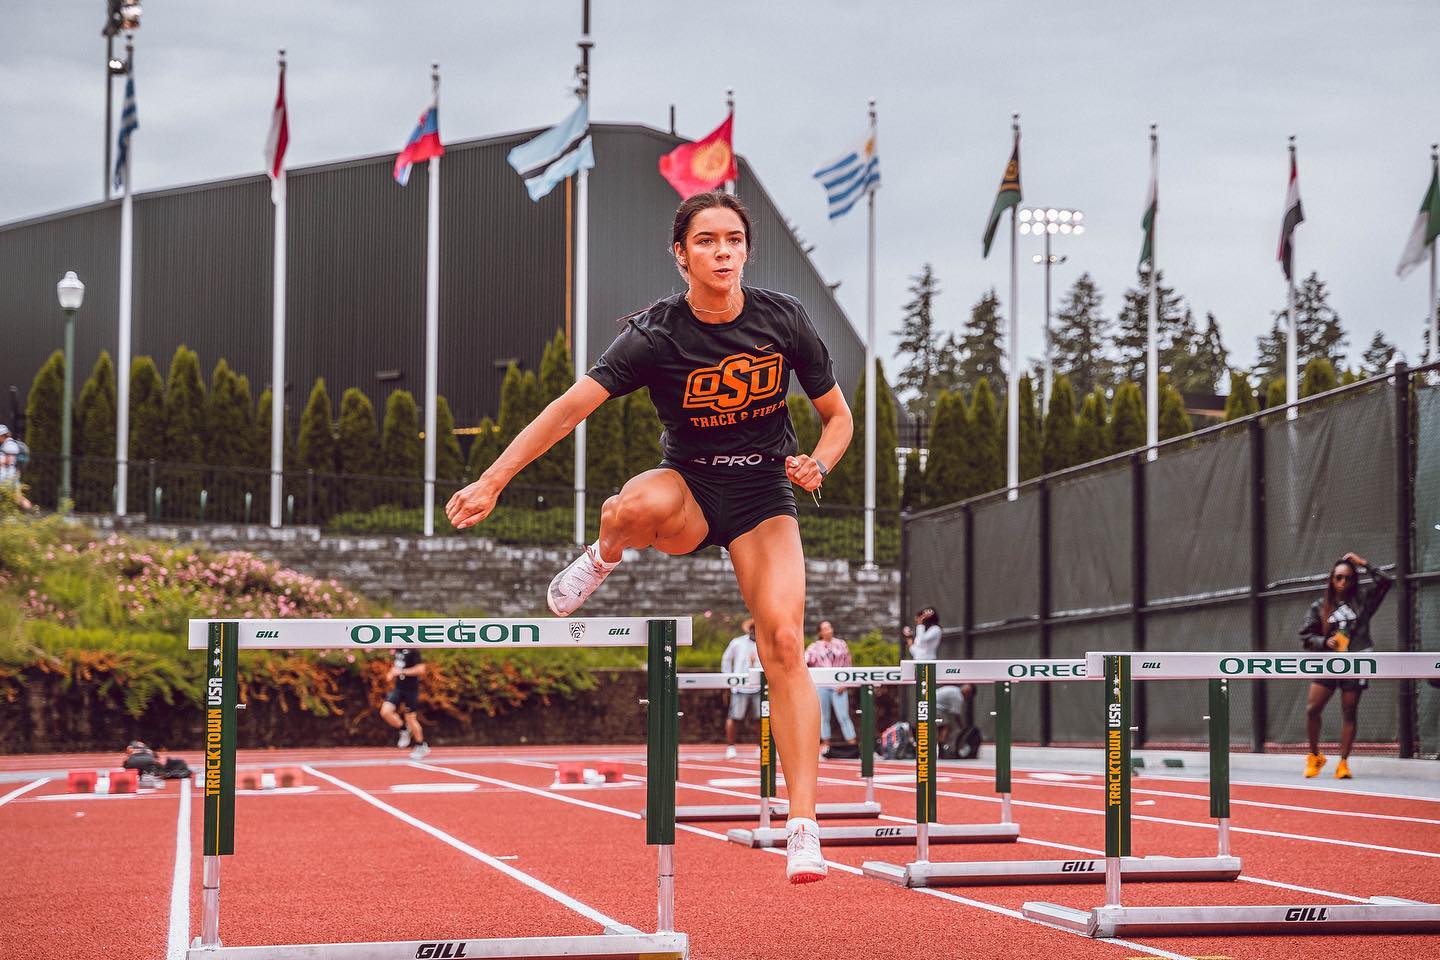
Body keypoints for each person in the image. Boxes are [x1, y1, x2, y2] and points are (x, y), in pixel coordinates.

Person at [445, 191, 852, 884]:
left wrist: (820, 461)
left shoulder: (783, 319)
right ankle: (602, 558)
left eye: (733, 240)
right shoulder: (657, 334)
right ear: (681, 254)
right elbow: (568, 410)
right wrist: (492, 480)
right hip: (689, 488)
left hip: (763, 495)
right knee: (626, 508)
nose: (722, 252)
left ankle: (804, 829)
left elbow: (837, 418)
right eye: (706, 241)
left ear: (746, 250)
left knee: (785, 643)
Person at [1299, 551, 1392, 779]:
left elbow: (1386, 581)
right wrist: (1324, 642)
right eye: (1339, 577)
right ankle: (1315, 756)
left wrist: (1363, 563)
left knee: (1349, 712)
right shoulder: (1320, 606)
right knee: (1312, 709)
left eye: (1348, 578)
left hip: (1356, 661)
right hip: (1328, 663)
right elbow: (1306, 636)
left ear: (1354, 580)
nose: (1343, 582)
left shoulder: (1363, 600)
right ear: (1332, 579)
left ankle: (1343, 763)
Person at [805, 621, 857, 757]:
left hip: (839, 686)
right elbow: (804, 663)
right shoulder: (814, 647)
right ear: (820, 632)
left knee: (843, 715)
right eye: (825, 628)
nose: (829, 630)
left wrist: (845, 683)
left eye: (830, 627)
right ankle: (826, 745)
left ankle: (853, 744)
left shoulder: (841, 644)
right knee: (823, 716)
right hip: (822, 686)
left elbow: (848, 664)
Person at [720, 617, 761, 760]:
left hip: (759, 687)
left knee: (761, 718)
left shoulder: (765, 643)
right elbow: (726, 659)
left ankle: (761, 747)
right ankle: (731, 747)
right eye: (753, 628)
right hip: (740, 687)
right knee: (734, 717)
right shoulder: (737, 642)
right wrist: (728, 679)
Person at [381, 648, 430, 760]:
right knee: (385, 711)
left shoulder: (414, 650)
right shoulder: (398, 648)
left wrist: (402, 672)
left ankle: (421, 745)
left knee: (411, 719)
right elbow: (397, 666)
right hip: (398, 688)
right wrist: (391, 673)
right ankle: (404, 729)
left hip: (411, 690)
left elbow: (421, 669)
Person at [0, 425, 32, 511]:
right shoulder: (5, 444)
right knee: (17, 498)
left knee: (18, 499)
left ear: (3, 435)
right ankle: (31, 511)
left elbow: (9, 461)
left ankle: (32, 512)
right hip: (8, 476)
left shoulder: (10, 444)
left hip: (9, 477)